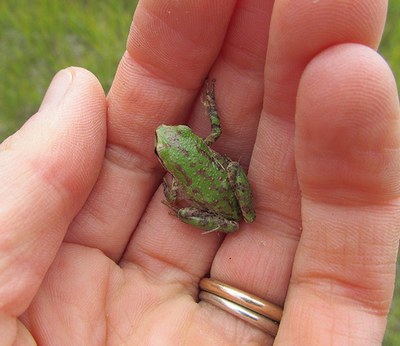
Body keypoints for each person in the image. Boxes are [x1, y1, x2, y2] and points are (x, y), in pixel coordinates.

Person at [1, 0, 399, 344]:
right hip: (224, 196)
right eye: (165, 142)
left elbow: (188, 175)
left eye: (172, 136)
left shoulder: (174, 177)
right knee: (224, 197)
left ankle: (203, 206)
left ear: (185, 141)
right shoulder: (198, 151)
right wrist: (208, 109)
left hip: (220, 199)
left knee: (195, 205)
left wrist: (173, 201)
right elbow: (218, 129)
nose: (165, 133)